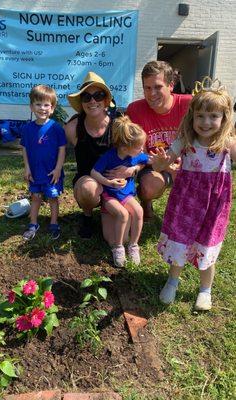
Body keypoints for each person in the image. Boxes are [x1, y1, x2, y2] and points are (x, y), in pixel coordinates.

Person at [150, 77, 236, 310]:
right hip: (186, 202)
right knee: (180, 240)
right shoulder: (184, 140)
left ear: (224, 118)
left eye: (213, 116)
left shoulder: (227, 144)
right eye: (200, 116)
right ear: (192, 116)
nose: (206, 122)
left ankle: (205, 289)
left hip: (214, 203)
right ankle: (172, 280)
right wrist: (159, 162)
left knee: (207, 243)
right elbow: (162, 164)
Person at [65, 72, 131, 240]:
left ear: (106, 100)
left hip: (114, 184)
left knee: (119, 240)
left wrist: (132, 170)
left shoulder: (119, 124)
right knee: (88, 189)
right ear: (81, 103)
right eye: (86, 97)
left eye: (98, 95)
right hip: (89, 181)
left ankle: (113, 209)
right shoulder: (73, 128)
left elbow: (137, 153)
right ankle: (87, 216)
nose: (92, 101)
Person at [126, 61, 192, 220]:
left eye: (157, 87)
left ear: (171, 85)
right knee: (149, 187)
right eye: (147, 88)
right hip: (152, 163)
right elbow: (138, 151)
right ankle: (146, 201)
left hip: (187, 163)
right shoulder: (135, 109)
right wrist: (166, 165)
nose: (152, 93)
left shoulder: (189, 103)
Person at [91, 116, 149, 267]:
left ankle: (134, 246)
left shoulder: (134, 155)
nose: (142, 149)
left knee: (139, 212)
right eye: (139, 147)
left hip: (126, 194)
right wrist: (108, 182)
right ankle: (118, 247)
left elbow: (147, 160)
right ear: (124, 147)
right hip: (109, 194)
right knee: (123, 214)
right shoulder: (109, 156)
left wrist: (133, 169)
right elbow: (94, 173)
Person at [20, 85, 67, 241]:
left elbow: (62, 149)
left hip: (51, 172)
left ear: (52, 108)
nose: (42, 108)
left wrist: (58, 169)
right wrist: (27, 167)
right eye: (38, 104)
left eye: (46, 104)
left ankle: (54, 223)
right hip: (35, 172)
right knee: (35, 197)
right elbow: (25, 149)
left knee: (53, 198)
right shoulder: (27, 129)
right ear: (31, 106)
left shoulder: (56, 128)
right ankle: (33, 224)